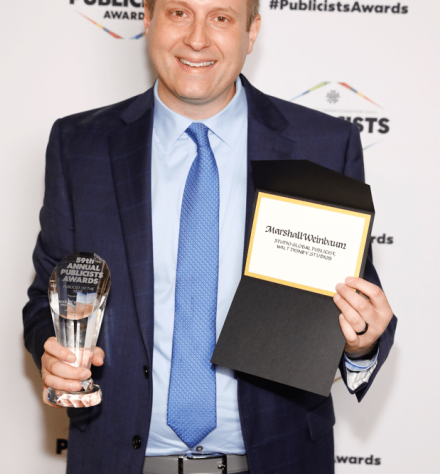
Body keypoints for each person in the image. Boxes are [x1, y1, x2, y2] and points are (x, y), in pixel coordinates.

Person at [23, 0, 396, 472]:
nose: (197, 38)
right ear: (148, 19)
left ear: (252, 30)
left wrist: (360, 343)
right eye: (179, 13)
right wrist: (51, 352)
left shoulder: (321, 144)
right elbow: (47, 299)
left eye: (221, 17)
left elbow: (354, 305)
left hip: (278, 459)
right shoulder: (80, 145)